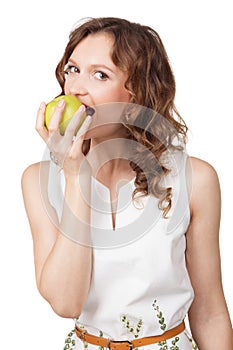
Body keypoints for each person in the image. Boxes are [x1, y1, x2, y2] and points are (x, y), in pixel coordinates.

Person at [21, 17, 233, 350]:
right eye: (72, 70)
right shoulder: (38, 180)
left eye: (99, 74)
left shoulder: (196, 179)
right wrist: (77, 177)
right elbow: (66, 302)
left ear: (136, 93)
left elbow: (209, 312)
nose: (75, 88)